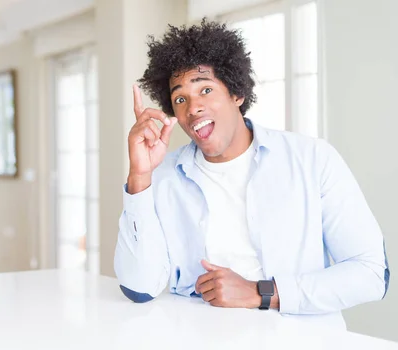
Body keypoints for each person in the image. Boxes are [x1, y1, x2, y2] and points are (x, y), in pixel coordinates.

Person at [114, 19, 389, 326]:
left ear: (237, 94)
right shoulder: (163, 177)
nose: (193, 108)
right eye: (181, 99)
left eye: (205, 89)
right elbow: (139, 288)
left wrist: (260, 293)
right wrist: (139, 176)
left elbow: (371, 272)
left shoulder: (312, 159)